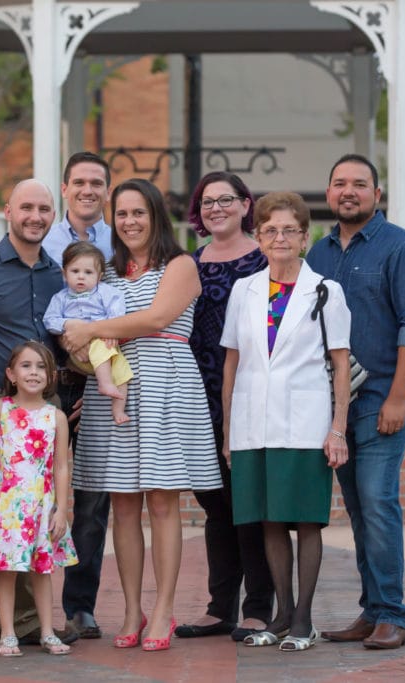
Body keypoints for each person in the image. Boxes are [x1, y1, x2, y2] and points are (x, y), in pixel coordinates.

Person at [61, 178, 222, 653]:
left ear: (156, 216)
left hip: (165, 384)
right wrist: (83, 350)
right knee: (123, 506)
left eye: (139, 213)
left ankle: (166, 610)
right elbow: (81, 337)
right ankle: (133, 609)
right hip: (113, 387)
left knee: (162, 501)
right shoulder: (105, 274)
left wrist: (90, 327)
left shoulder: (181, 265)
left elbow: (154, 319)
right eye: (123, 214)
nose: (130, 222)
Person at [306, 153, 405, 650]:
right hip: (336, 405)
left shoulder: (402, 248)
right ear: (330, 193)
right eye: (340, 183)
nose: (349, 191)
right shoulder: (317, 254)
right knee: (358, 509)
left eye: (360, 184)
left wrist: (398, 398)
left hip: (382, 400)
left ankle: (393, 615)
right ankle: (372, 609)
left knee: (378, 504)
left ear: (377, 195)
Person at [221, 191, 351, 652]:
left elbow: (340, 364)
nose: (280, 237)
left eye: (290, 230)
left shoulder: (326, 291)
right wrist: (228, 431)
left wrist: (338, 428)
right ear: (258, 237)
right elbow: (232, 364)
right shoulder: (245, 290)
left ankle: (303, 619)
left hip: (305, 421)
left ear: (305, 237)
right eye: (271, 230)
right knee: (269, 520)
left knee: (306, 520)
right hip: (252, 422)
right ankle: (279, 615)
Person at [0, 178, 75, 651]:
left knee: (38, 509)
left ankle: (31, 623)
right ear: (8, 211)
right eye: (27, 207)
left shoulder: (55, 273)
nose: (36, 216)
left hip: (47, 408)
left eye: (44, 209)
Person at [176, 171, 276, 643]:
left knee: (248, 505)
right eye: (207, 201)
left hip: (249, 395)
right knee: (216, 507)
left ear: (244, 204)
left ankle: (258, 609)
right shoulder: (187, 263)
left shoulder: (265, 259)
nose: (216, 207)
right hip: (198, 397)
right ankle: (221, 609)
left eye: (225, 199)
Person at [45, 151, 114, 640]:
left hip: (97, 380)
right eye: (80, 182)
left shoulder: (121, 245)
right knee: (30, 493)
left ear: (106, 190)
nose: (88, 189)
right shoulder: (42, 240)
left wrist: (100, 377)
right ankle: (27, 612)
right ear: (65, 187)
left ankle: (79, 607)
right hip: (45, 385)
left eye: (97, 182)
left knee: (91, 501)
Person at [0, 341, 79, 657]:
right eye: (26, 366)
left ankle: (47, 631)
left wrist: (62, 508)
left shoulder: (56, 416)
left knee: (42, 570)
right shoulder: (1, 408)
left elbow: (61, 466)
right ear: (11, 373)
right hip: (8, 504)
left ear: (50, 376)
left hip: (41, 503)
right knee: (6, 570)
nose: (33, 372)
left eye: (40, 367)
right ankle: (8, 634)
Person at [44, 241, 132, 425]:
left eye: (88, 272)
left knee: (124, 374)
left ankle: (118, 409)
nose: (81, 277)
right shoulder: (60, 298)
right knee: (101, 349)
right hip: (80, 352)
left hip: (106, 347)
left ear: (99, 276)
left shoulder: (106, 293)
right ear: (64, 273)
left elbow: (117, 309)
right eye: (75, 271)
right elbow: (49, 320)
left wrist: (110, 329)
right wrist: (68, 323)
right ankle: (105, 383)